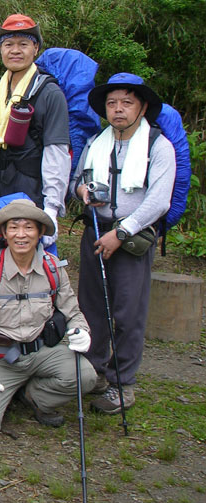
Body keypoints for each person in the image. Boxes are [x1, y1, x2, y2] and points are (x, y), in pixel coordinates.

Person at [72, 73, 175, 414]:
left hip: (132, 238)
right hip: (95, 230)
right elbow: (78, 181)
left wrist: (122, 232)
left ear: (142, 108)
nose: (118, 109)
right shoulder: (96, 143)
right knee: (91, 306)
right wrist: (82, 191)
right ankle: (94, 371)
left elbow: (159, 201)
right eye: (112, 103)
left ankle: (122, 383)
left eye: (127, 103)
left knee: (128, 311)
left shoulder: (158, 146)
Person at [0, 199, 96, 435]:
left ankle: (34, 395)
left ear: (40, 232)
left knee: (86, 376)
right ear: (4, 233)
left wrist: (81, 330)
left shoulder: (53, 267)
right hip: (1, 358)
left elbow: (72, 310)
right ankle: (6, 389)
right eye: (14, 227)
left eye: (29, 227)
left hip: (44, 351)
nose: (21, 235)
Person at [0, 14, 71, 247]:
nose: (15, 50)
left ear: (36, 49)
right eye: (8, 44)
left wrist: (51, 208)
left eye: (23, 44)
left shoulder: (50, 94)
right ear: (0, 49)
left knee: (31, 257)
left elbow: (57, 152)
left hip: (33, 192)